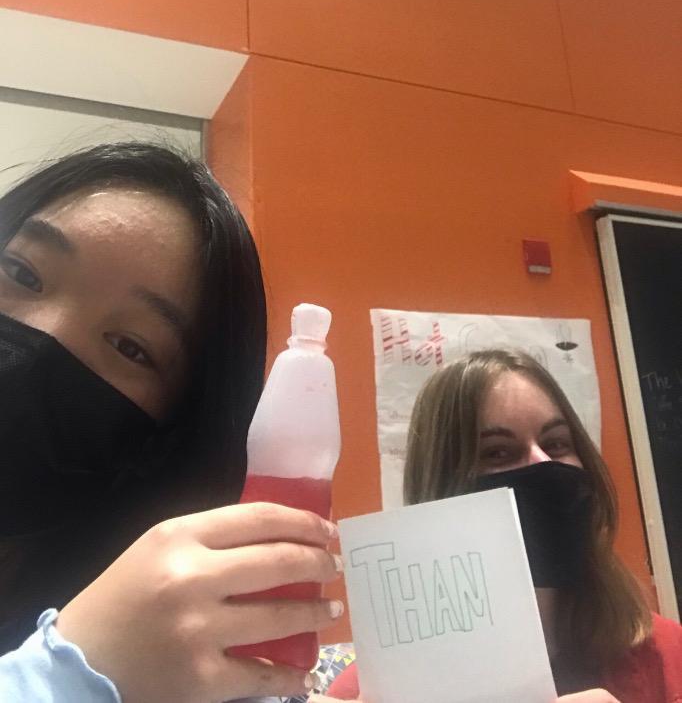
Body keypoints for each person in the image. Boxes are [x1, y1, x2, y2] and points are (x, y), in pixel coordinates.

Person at [0, 142, 344, 702]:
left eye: (130, 346)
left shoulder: (170, 656)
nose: (48, 336)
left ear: (166, 437)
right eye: (22, 272)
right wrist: (68, 678)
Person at [321, 349, 682, 703]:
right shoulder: (373, 695)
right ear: (444, 484)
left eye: (556, 443)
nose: (543, 462)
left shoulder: (666, 653)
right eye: (497, 452)